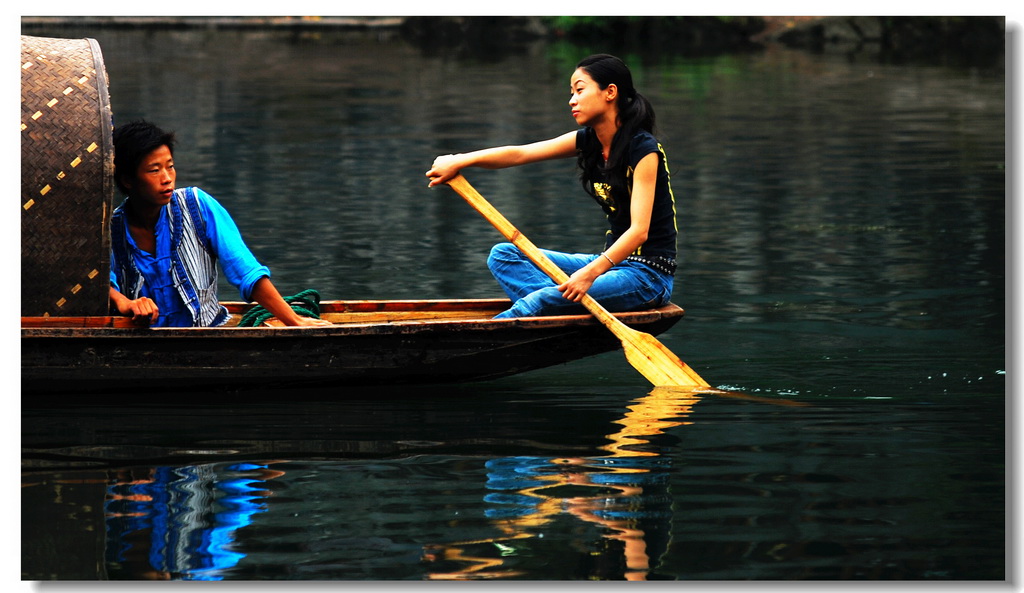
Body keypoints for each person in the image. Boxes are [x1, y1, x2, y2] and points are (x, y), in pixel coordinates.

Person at [426, 54, 678, 319]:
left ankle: (543, 305)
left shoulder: (644, 150)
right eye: (571, 92)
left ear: (610, 92)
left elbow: (639, 232)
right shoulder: (589, 141)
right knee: (505, 255)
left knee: (539, 300)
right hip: (610, 267)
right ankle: (557, 304)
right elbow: (520, 154)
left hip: (647, 276)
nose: (572, 100)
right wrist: (460, 160)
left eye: (580, 90)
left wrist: (589, 275)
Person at [108, 120, 332, 327]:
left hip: (206, 331)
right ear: (128, 179)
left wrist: (293, 320)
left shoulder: (197, 205)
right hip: (143, 337)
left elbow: (245, 271)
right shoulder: (110, 229)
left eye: (170, 166)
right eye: (154, 170)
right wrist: (125, 303)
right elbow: (101, 285)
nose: (167, 178)